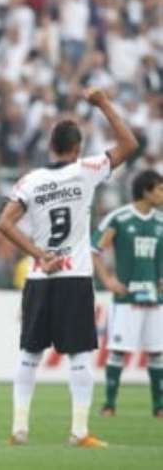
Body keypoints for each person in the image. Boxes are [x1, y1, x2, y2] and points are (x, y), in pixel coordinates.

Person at [0, 88, 139, 447]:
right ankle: (78, 431)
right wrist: (104, 103)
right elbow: (129, 144)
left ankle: (18, 428)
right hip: (74, 276)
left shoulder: (31, 181)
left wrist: (39, 254)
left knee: (30, 353)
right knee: (79, 354)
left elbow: (4, 223)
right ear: (77, 148)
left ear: (51, 146)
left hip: (40, 276)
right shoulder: (87, 170)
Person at [91, 170, 163, 418]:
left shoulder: (161, 221)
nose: (162, 194)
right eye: (159, 189)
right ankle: (109, 404)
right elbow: (94, 249)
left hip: (155, 298)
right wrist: (107, 279)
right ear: (145, 191)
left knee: (157, 352)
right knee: (119, 350)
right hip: (127, 299)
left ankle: (159, 407)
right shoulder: (120, 218)